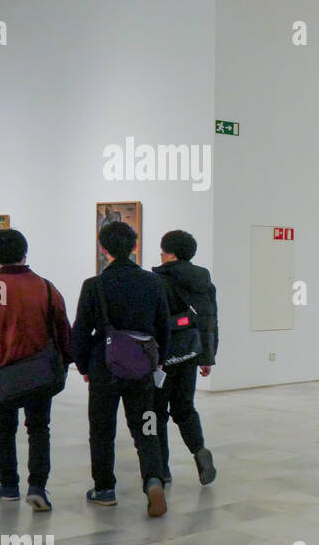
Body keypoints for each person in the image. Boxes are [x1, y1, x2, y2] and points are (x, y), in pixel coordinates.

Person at [0, 229, 73, 512]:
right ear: (25, 251)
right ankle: (37, 486)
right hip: (39, 372)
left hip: (3, 375)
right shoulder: (45, 288)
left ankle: (9, 484)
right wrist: (67, 361)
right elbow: (62, 329)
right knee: (39, 429)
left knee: (3, 429)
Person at [72, 221, 171, 517]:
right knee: (147, 427)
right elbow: (164, 327)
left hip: (105, 365)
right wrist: (159, 359)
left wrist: (83, 365)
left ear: (103, 249)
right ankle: (153, 479)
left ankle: (104, 489)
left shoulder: (95, 285)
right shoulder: (153, 282)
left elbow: (80, 331)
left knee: (102, 429)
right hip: (141, 366)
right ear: (135, 247)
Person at [152, 230, 218, 487]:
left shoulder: (158, 281)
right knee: (184, 407)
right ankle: (200, 452)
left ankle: (162, 469)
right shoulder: (203, 281)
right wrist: (207, 358)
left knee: (157, 412)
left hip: (163, 359)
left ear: (170, 253)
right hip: (190, 354)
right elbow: (210, 321)